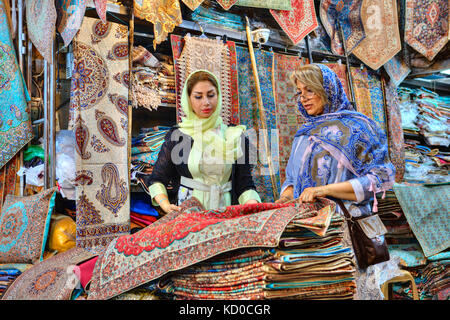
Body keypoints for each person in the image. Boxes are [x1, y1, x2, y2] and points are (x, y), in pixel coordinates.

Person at [276, 64, 398, 300]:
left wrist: (325, 190)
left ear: (327, 89)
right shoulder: (304, 133)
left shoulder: (359, 128)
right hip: (308, 232)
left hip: (345, 232)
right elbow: (292, 178)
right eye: (300, 92)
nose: (304, 98)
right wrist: (286, 196)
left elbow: (380, 179)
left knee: (347, 292)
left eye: (310, 90)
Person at [137, 69, 261, 214]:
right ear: (188, 99)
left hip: (226, 214)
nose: (206, 102)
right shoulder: (178, 136)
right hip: (188, 215)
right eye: (198, 97)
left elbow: (244, 184)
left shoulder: (234, 135)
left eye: (211, 95)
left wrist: (252, 205)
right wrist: (165, 204)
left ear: (219, 96)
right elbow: (157, 178)